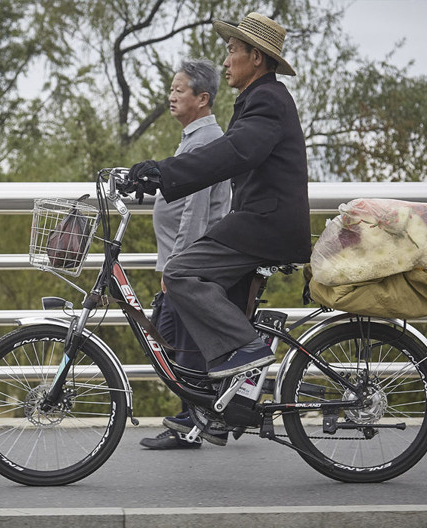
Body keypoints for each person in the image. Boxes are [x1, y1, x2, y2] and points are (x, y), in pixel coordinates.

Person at [126, 12, 311, 440]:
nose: (226, 61)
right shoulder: (258, 99)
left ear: (257, 58)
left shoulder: (268, 101)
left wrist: (163, 172)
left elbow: (233, 154)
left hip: (265, 225)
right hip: (258, 222)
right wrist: (160, 173)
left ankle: (248, 351)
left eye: (232, 50)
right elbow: (232, 155)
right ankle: (220, 411)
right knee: (207, 299)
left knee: (180, 272)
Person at [139, 59, 231, 450]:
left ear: (203, 98)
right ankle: (203, 416)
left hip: (190, 263)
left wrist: (176, 267)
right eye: (172, 90)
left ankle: (194, 421)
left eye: (180, 90)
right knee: (176, 339)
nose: (171, 96)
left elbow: (195, 213)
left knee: (181, 343)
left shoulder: (205, 140)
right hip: (188, 261)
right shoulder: (196, 137)